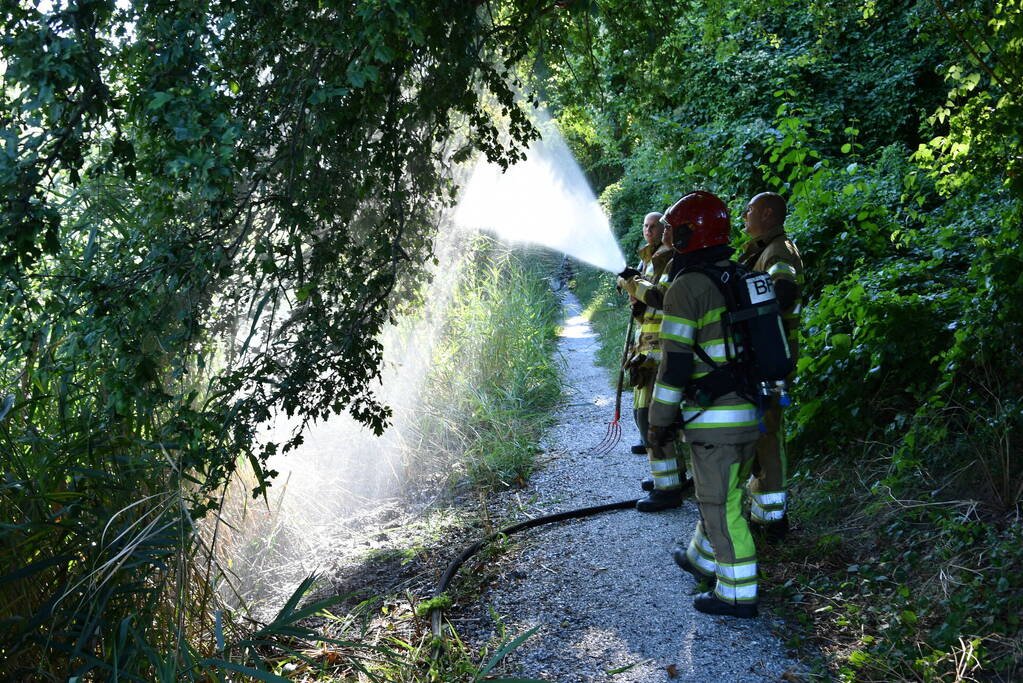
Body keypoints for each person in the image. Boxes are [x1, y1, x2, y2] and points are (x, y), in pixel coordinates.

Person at [649, 190, 760, 618]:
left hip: (717, 419)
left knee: (721, 503)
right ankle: (701, 558)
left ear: (685, 236)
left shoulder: (687, 285)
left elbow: (674, 365)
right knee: (722, 493)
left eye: (673, 231)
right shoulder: (738, 274)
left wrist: (659, 422)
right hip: (750, 408)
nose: (667, 239)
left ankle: (737, 593)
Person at [739, 192, 803, 541]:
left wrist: (749, 316)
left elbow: (784, 291)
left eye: (749, 211)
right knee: (760, 437)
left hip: (773, 359)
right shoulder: (763, 250)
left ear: (766, 213)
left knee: (766, 438)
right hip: (765, 357)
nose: (744, 216)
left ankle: (772, 522)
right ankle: (763, 514)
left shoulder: (778, 252)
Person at [617, 213, 688, 512]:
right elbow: (650, 303)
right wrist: (637, 304)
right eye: (657, 227)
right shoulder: (659, 259)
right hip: (650, 346)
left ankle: (669, 487)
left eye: (664, 226)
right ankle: (670, 479)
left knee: (653, 419)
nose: (659, 231)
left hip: (663, 349)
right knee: (650, 418)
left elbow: (661, 298)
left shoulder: (677, 261)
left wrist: (632, 280)